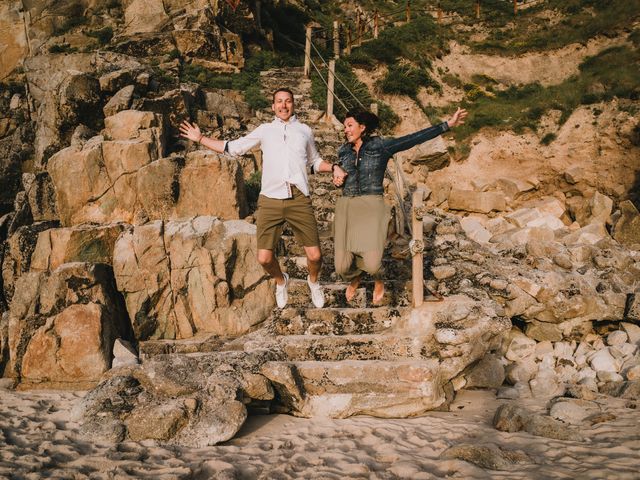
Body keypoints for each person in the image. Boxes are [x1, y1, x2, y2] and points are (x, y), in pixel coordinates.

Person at [179, 88, 346, 309]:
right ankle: (281, 280)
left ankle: (313, 282)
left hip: (299, 198)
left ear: (293, 104)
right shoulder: (265, 130)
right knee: (264, 259)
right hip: (270, 198)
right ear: (273, 106)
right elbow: (233, 148)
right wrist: (200, 138)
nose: (283, 105)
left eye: (287, 101)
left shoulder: (305, 130)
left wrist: (333, 167)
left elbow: (314, 162)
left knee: (315, 256)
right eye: (279, 101)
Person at [331, 107, 468, 305]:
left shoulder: (380, 146)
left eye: (350, 125)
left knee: (372, 264)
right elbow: (343, 175)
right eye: (344, 126)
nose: (346, 129)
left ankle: (378, 278)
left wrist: (447, 125)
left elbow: (412, 139)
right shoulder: (343, 150)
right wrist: (338, 179)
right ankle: (355, 276)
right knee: (341, 267)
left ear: (362, 127)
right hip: (347, 206)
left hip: (372, 206)